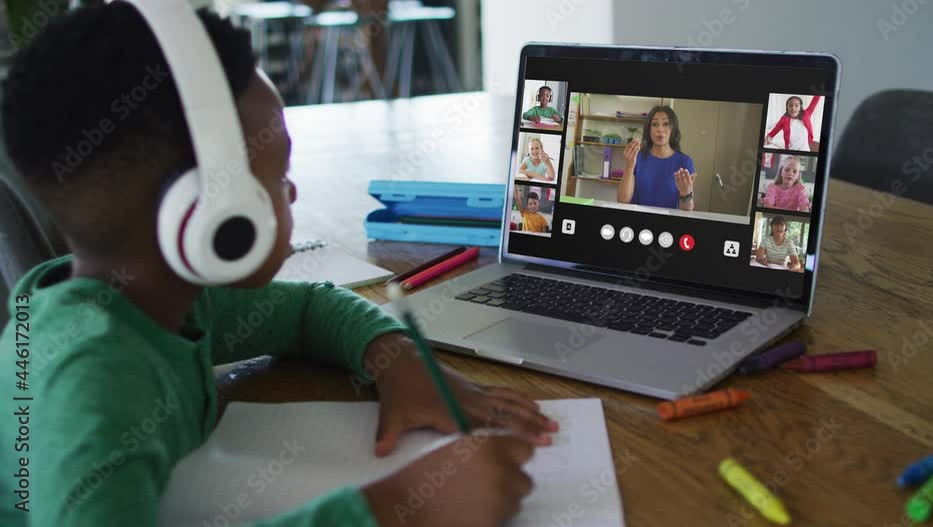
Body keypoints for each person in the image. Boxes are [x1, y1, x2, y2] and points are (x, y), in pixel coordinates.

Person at [0, 5, 556, 527]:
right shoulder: (90, 384)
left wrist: (397, 360)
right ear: (215, 211)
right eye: (277, 173)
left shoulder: (160, 298)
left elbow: (309, 307)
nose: (291, 192)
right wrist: (397, 508)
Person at [617, 105, 696, 211]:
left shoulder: (685, 162)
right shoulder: (637, 158)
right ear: (648, 129)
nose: (660, 129)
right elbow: (622, 200)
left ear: (673, 128)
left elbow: (687, 209)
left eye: (666, 124)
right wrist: (629, 166)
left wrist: (685, 194)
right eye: (654, 124)